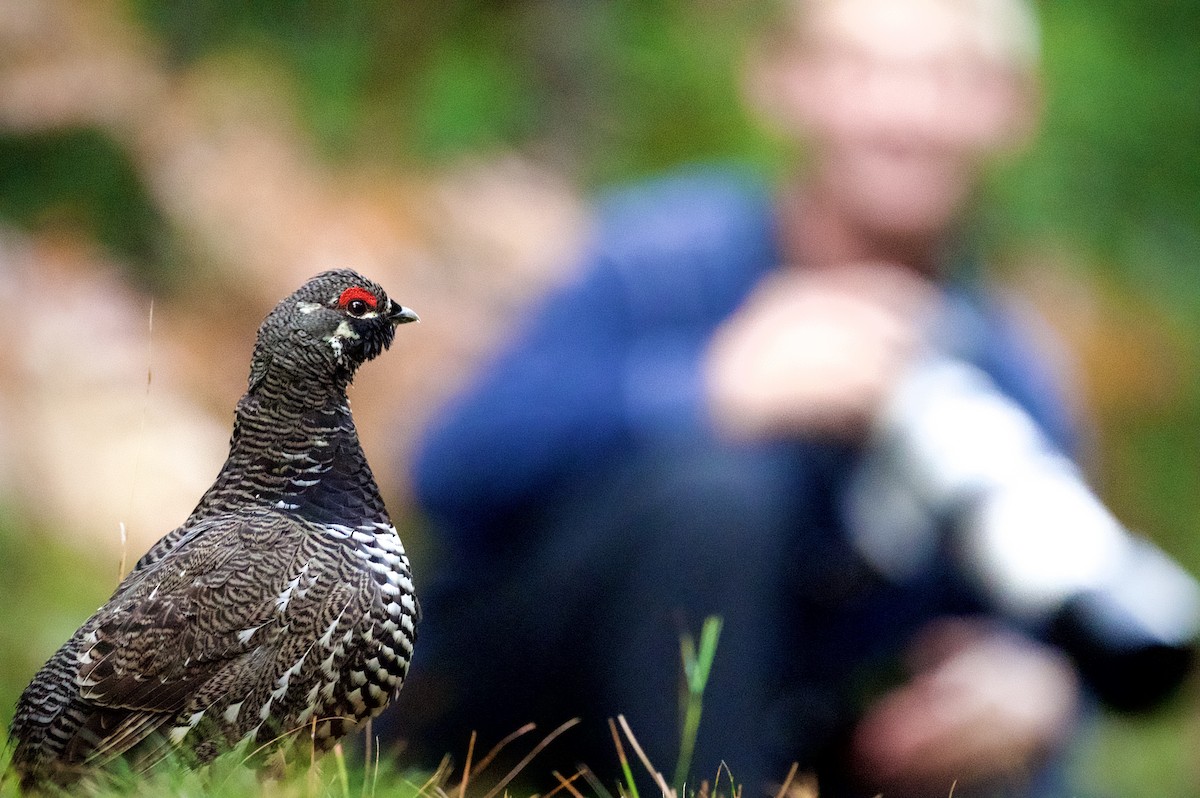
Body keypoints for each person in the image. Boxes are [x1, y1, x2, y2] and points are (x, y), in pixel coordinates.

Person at [387, 1, 1194, 796]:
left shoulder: (1004, 376)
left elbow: (1057, 635)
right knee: (719, 492)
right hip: (513, 702)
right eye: (861, 68)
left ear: (1010, 107)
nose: (902, 112)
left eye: (947, 76)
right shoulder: (660, 256)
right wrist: (707, 390)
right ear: (782, 82)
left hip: (802, 732)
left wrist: (1036, 692)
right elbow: (451, 467)